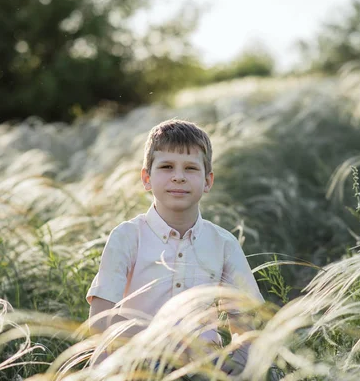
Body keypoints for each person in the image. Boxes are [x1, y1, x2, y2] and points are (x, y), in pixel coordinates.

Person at [86, 119, 264, 374]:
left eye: (191, 168)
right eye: (167, 167)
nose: (178, 177)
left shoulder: (223, 244)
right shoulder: (127, 237)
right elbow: (101, 317)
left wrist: (239, 368)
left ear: (207, 181)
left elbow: (247, 319)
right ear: (146, 178)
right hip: (137, 365)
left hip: (202, 367)